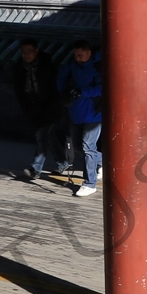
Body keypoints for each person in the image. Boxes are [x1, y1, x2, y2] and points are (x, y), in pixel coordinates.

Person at [57, 39, 102, 197]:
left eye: (80, 55)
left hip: (93, 112)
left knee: (87, 146)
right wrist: (64, 90)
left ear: (89, 53)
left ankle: (90, 183)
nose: (78, 58)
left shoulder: (98, 66)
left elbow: (102, 88)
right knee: (77, 146)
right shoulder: (72, 64)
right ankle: (102, 163)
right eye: (76, 55)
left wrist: (83, 91)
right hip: (76, 110)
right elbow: (61, 76)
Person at [12, 37, 60, 180]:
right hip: (34, 109)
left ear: (36, 51)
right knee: (49, 138)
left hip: (51, 107)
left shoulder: (47, 67)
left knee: (41, 137)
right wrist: (26, 108)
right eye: (23, 52)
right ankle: (63, 162)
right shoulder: (20, 69)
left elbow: (54, 88)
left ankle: (35, 168)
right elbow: (19, 91)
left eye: (29, 51)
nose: (26, 55)